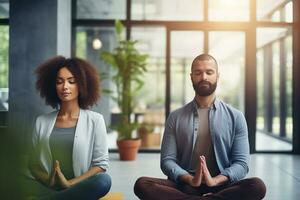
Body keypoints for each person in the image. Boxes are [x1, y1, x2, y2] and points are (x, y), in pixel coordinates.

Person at [134, 54, 266, 200]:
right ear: (191, 77)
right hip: (186, 184)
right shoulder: (175, 117)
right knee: (142, 184)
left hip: (222, 184)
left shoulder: (236, 116)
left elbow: (241, 164)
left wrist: (215, 180)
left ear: (217, 76)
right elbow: (167, 161)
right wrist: (189, 179)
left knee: (257, 186)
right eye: (198, 73)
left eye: (209, 72)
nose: (204, 77)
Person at [24, 56, 111, 200]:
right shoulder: (41, 122)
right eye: (59, 82)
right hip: (48, 186)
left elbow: (101, 164)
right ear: (53, 86)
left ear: (82, 85)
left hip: (79, 186)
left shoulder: (95, 120)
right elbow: (33, 164)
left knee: (104, 181)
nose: (65, 86)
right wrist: (50, 181)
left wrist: (69, 184)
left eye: (71, 81)